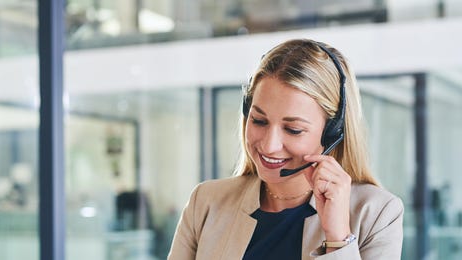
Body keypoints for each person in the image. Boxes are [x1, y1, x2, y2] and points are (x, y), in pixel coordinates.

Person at [168, 39, 404, 259]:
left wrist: (338, 238)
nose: (269, 145)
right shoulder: (206, 203)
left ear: (333, 132)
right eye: (259, 121)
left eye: (293, 129)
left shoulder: (378, 214)